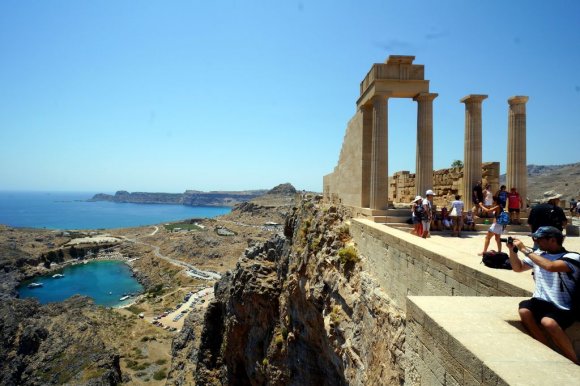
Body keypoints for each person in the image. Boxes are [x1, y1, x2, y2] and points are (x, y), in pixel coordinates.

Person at [506, 226, 580, 364]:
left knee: (548, 322)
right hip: (541, 301)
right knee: (524, 311)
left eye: (538, 239)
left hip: (564, 306)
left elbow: (550, 267)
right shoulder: (539, 254)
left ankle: (573, 359)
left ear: (552, 240)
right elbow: (518, 268)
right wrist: (512, 251)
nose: (535, 242)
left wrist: (525, 250)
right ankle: (547, 348)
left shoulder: (572, 257)